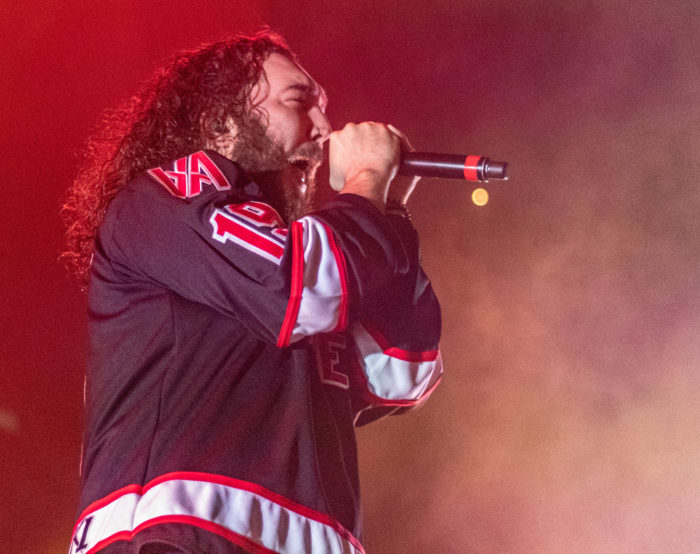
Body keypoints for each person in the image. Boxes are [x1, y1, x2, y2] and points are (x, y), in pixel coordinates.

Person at [63, 30, 442, 554]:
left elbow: (402, 372)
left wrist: (390, 211)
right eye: (299, 101)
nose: (324, 128)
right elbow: (303, 286)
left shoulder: (304, 256)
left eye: (324, 108)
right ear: (221, 122)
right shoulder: (171, 197)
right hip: (180, 538)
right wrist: (366, 179)